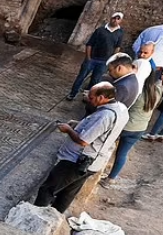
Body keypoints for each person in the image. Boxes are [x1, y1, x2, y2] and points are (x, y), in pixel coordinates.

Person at [35, 82, 128, 212]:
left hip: (77, 161)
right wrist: (79, 125)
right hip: (93, 162)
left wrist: (68, 130)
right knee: (67, 194)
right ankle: (54, 215)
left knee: (48, 189)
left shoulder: (105, 115)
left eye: (91, 97)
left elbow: (83, 141)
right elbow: (101, 130)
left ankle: (33, 215)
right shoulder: (121, 108)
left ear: (101, 97)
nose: (88, 100)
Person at [102, 66, 161, 186]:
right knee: (122, 154)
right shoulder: (158, 91)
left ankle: (98, 170)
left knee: (106, 146)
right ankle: (111, 179)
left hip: (127, 126)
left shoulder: (138, 91)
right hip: (141, 127)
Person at [66, 12, 124, 100]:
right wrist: (88, 58)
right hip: (92, 58)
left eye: (118, 19)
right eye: (114, 18)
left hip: (104, 61)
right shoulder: (100, 30)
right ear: (110, 18)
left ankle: (88, 97)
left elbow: (117, 47)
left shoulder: (120, 33)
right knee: (81, 77)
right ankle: (72, 94)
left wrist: (112, 59)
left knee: (95, 80)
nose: (115, 20)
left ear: (121, 21)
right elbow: (90, 44)